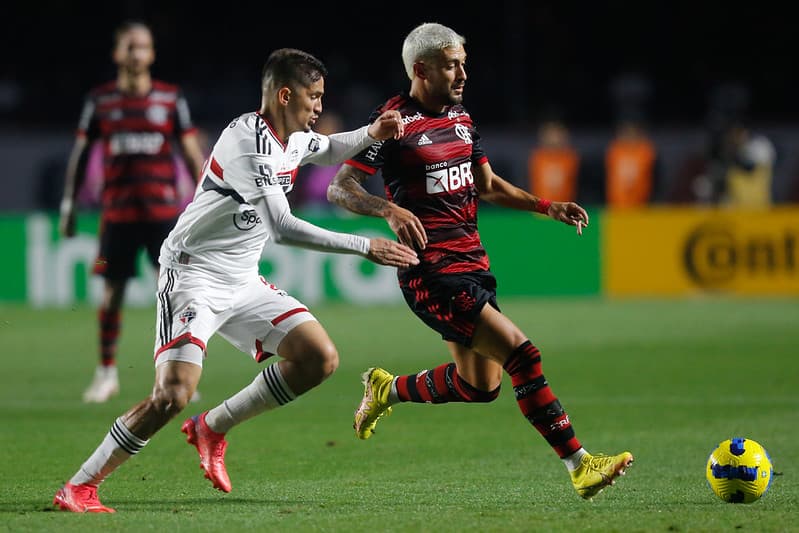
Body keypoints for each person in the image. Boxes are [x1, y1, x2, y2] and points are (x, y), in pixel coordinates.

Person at [52, 47, 418, 513]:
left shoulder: (293, 136)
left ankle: (213, 427)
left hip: (243, 280)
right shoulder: (249, 143)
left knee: (318, 358)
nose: (320, 107)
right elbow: (283, 229)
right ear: (285, 95)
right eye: (314, 97)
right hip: (193, 277)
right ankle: (80, 486)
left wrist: (370, 133)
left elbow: (326, 148)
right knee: (172, 394)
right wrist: (366, 246)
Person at [327, 22, 633, 500]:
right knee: (522, 354)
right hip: (430, 271)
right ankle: (580, 464)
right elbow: (339, 186)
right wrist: (387, 208)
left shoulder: (461, 117)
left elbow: (487, 186)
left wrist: (545, 206)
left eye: (464, 64)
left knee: (480, 385)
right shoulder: (392, 121)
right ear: (421, 69)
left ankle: (386, 389)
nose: (463, 74)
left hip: (472, 264)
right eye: (453, 66)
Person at [58, 20, 207, 403]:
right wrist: (69, 205)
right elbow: (80, 155)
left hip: (163, 217)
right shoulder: (101, 101)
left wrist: (208, 201)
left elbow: (192, 155)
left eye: (143, 47)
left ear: (152, 54)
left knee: (175, 296)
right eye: (130, 47)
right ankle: (107, 373)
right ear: (117, 54)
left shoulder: (170, 99)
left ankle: (178, 375)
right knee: (111, 295)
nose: (136, 53)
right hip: (118, 218)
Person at [604, 118, 659, 207]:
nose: (628, 135)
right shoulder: (615, 151)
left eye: (631, 132)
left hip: (641, 204)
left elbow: (654, 177)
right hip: (616, 205)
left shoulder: (645, 151)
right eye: (625, 132)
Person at [527, 118, 580, 202]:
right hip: (540, 208)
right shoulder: (537, 158)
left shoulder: (570, 157)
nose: (553, 138)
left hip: (565, 207)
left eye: (557, 134)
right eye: (550, 134)